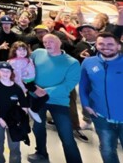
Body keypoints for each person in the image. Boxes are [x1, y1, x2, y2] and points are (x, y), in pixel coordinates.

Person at [28, 34, 82, 163]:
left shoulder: (72, 62)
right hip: (36, 99)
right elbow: (27, 68)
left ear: (60, 43)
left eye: (51, 41)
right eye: (45, 41)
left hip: (59, 102)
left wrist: (45, 91)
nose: (47, 44)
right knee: (38, 128)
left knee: (66, 135)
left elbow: (68, 84)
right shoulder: (37, 53)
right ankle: (41, 153)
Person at [80, 32, 123, 163]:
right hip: (101, 116)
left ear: (119, 46)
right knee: (107, 149)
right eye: (101, 44)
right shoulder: (88, 62)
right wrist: (86, 105)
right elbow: (83, 86)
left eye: (110, 44)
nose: (106, 47)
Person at [0, 61, 29, 163]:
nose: (5, 73)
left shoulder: (17, 89)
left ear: (11, 73)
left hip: (13, 123)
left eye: (8, 71)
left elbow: (24, 106)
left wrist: (19, 120)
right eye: (2, 71)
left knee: (14, 145)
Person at [7, 41, 45, 123]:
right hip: (26, 83)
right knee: (44, 96)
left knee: (30, 100)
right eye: (19, 50)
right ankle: (32, 110)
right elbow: (17, 77)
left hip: (30, 82)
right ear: (14, 51)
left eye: (24, 50)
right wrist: (22, 88)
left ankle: (30, 110)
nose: (22, 52)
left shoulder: (27, 59)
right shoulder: (15, 62)